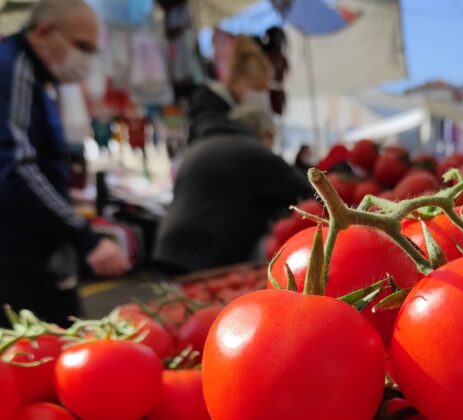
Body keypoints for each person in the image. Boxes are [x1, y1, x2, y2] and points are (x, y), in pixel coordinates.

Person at [0, 0, 129, 326]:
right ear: (44, 33)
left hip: (28, 251)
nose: (86, 58)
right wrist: (84, 235)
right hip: (15, 255)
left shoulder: (35, 76)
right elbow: (17, 167)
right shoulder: (14, 69)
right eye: (81, 46)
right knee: (37, 350)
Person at [154, 111, 313, 273]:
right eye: (272, 139)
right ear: (265, 134)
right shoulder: (252, 151)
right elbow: (309, 190)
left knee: (178, 295)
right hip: (207, 252)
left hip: (171, 245)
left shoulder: (200, 146)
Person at [188, 36, 272, 144]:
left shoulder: (230, 106)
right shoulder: (210, 106)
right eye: (257, 89)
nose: (261, 96)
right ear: (241, 79)